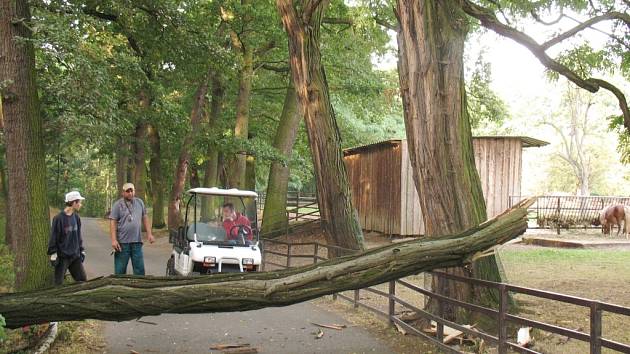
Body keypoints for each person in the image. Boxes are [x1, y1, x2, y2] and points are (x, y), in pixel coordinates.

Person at [109, 183, 155, 275]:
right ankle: (119, 288)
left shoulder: (139, 202)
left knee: (140, 270)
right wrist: (114, 240)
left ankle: (139, 287)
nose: (130, 193)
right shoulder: (117, 205)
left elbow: (145, 218)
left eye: (132, 191)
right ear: (123, 193)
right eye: (127, 191)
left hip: (137, 242)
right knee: (120, 271)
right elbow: (112, 222)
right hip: (122, 243)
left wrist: (149, 234)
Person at [48, 191, 87, 286]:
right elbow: (54, 237)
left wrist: (81, 250)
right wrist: (53, 253)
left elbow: (78, 236)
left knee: (82, 280)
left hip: (75, 256)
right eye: (79, 202)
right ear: (73, 202)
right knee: (58, 283)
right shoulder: (58, 219)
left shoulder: (76, 218)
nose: (80, 205)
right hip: (62, 257)